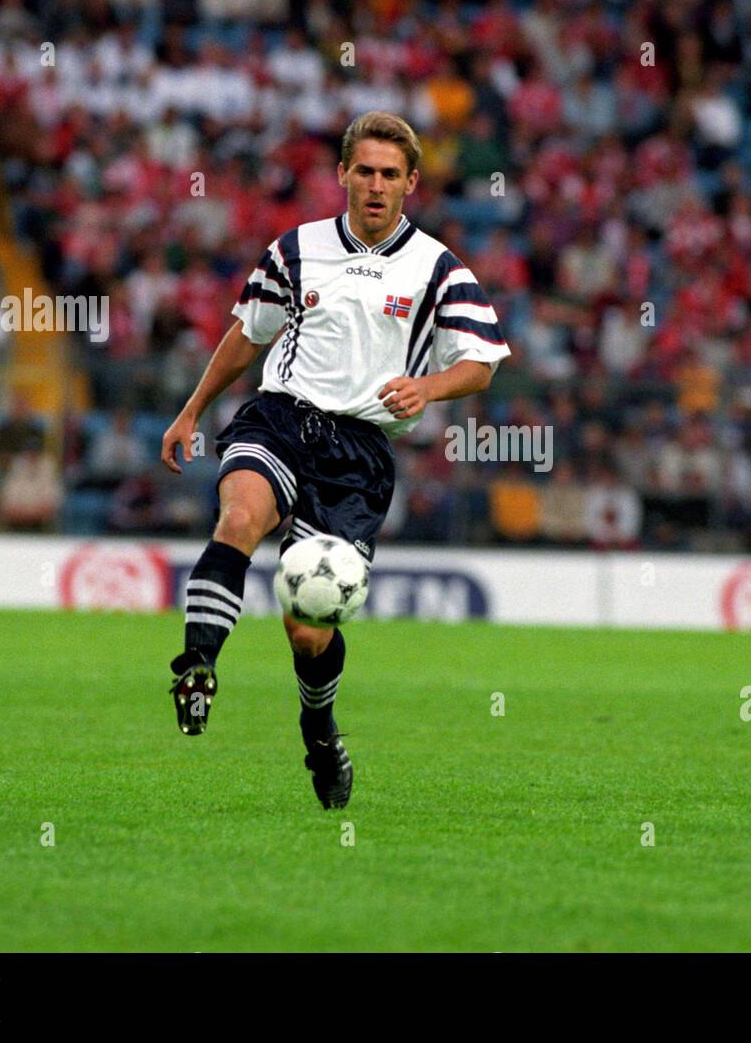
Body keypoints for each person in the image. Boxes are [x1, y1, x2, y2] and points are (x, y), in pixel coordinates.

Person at [160, 111, 511, 808]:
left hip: (358, 452)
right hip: (282, 415)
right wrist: (194, 407)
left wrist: (428, 386)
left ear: (411, 182)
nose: (375, 186)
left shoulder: (439, 268)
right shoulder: (295, 250)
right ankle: (197, 662)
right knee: (240, 516)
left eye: (390, 175)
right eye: (364, 171)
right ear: (343, 175)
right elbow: (248, 333)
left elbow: (482, 364)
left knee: (307, 628)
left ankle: (319, 733)